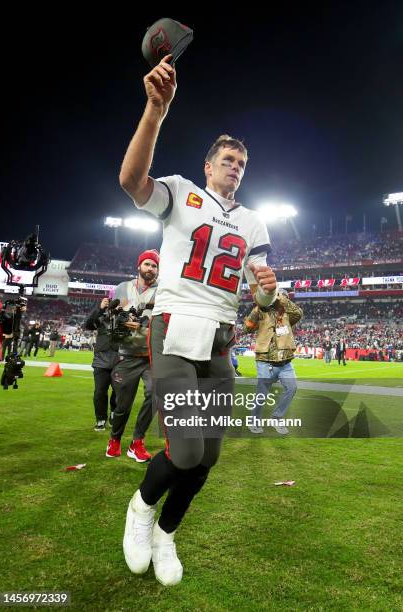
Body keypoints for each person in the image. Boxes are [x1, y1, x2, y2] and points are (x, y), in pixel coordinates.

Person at [117, 55, 277, 585]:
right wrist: (154, 113)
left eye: (242, 164)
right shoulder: (183, 192)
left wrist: (265, 289)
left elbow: (257, 288)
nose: (235, 168)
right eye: (228, 160)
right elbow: (131, 180)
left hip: (220, 342)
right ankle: (141, 508)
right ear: (210, 166)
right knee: (184, 451)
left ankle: (166, 534)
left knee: (206, 457)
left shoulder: (253, 221)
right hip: (176, 328)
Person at [106, 250, 159, 462]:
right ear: (139, 266)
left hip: (151, 355)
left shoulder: (163, 291)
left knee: (157, 394)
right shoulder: (122, 288)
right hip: (127, 354)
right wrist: (120, 320)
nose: (151, 269)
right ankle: (115, 439)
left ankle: (137, 442)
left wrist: (147, 324)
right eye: (147, 264)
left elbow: (168, 319)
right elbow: (108, 316)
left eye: (154, 266)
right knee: (123, 404)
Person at [244, 290, 303, 435]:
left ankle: (277, 417)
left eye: (285, 298)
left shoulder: (289, 315)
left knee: (292, 388)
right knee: (262, 395)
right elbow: (247, 328)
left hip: (285, 363)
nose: (282, 300)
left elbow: (299, 313)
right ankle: (254, 421)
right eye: (280, 297)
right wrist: (259, 305)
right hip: (265, 361)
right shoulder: (261, 312)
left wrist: (281, 299)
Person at [85, 299, 119, 431]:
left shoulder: (123, 317)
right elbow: (88, 324)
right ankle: (100, 419)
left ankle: (113, 413)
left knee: (118, 392)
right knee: (100, 392)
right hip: (101, 361)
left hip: (119, 361)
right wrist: (100, 308)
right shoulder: (101, 317)